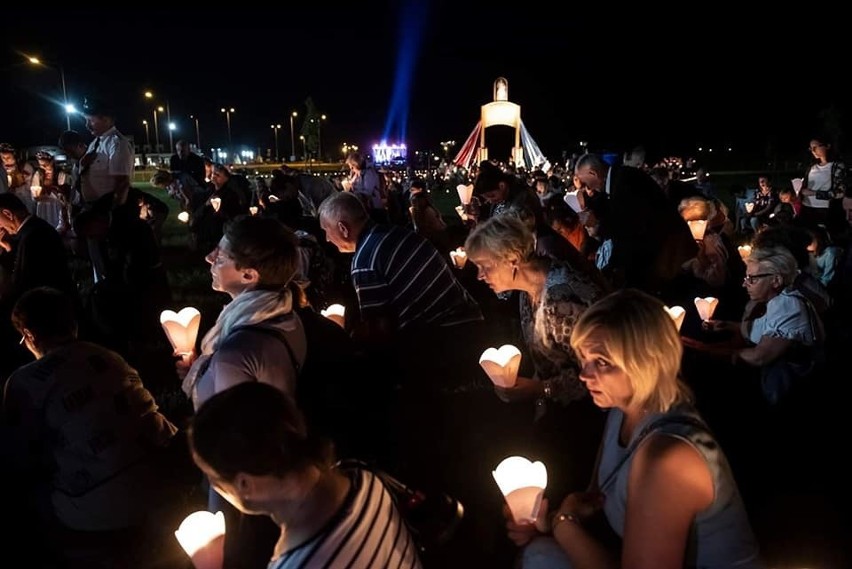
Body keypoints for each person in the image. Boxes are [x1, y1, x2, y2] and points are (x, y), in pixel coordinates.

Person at [506, 288, 763, 569]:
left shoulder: (667, 456)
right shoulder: (622, 410)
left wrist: (562, 525)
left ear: (647, 360)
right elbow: (594, 501)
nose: (583, 374)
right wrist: (546, 520)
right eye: (584, 359)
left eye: (601, 362)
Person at [1, 287, 179, 568]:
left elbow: (18, 455)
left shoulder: (27, 382)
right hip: (160, 482)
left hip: (93, 510)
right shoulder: (108, 357)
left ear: (30, 335)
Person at [178, 214, 307, 569]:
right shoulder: (284, 315)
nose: (209, 259)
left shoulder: (237, 349)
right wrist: (201, 372)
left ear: (249, 275)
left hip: (245, 494)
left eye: (220, 256)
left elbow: (232, 451)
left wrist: (221, 542)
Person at [185, 381, 423, 569]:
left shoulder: (298, 564)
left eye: (213, 478)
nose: (215, 488)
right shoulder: (365, 479)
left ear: (244, 484)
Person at [465, 214, 608, 498]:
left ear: (512, 259)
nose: (480, 276)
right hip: (559, 409)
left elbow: (599, 373)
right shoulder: (527, 293)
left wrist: (538, 389)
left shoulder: (561, 298)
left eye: (484, 266)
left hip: (592, 419)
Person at [701, 245, 825, 405]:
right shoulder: (779, 301)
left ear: (776, 280)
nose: (745, 285)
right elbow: (762, 328)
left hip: (795, 398)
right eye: (746, 278)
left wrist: (710, 352)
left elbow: (760, 356)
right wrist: (727, 325)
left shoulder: (788, 305)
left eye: (752, 279)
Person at [798, 135, 847, 238]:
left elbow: (840, 192)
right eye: (811, 148)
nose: (813, 151)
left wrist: (814, 193)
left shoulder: (837, 166)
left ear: (827, 146)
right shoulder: (812, 166)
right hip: (807, 207)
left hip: (824, 209)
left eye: (816, 147)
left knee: (823, 238)